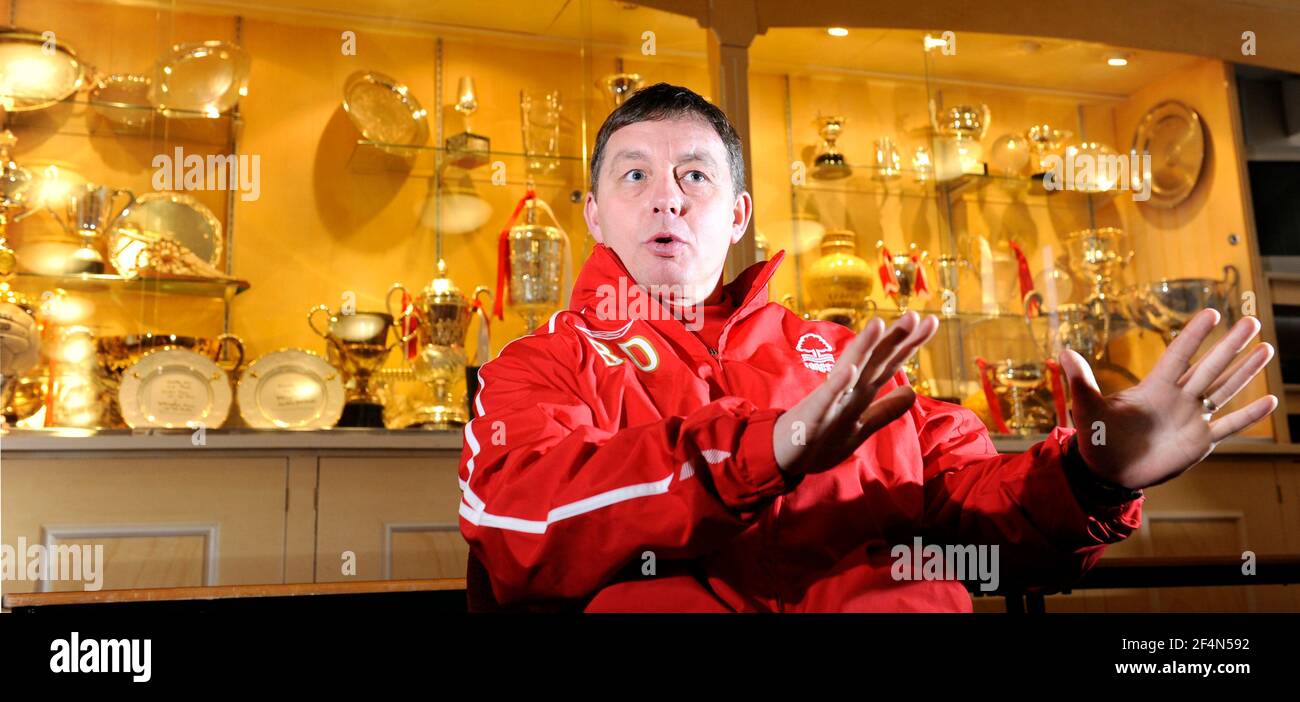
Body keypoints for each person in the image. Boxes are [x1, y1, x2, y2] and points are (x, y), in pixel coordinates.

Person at [457, 83, 1278, 612]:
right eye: (634, 176)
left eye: (695, 177)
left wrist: (1089, 475)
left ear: (738, 215)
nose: (667, 198)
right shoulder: (540, 365)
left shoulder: (846, 356)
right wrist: (762, 450)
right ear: (594, 215)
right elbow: (518, 528)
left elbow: (979, 532)